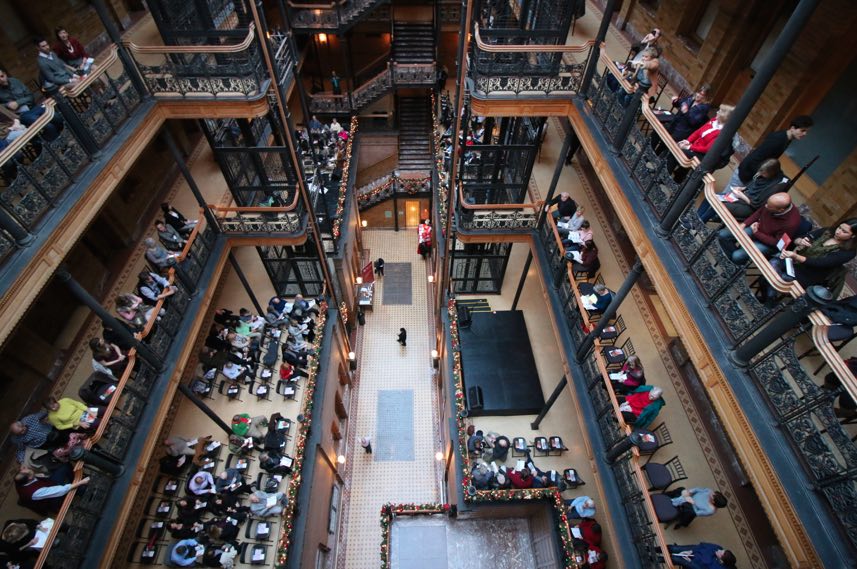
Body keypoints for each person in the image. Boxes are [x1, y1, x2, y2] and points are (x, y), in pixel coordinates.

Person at [727, 115, 813, 192]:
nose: (804, 134)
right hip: (745, 172)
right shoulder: (778, 140)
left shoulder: (787, 139)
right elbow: (758, 158)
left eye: (806, 131)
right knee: (724, 198)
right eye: (803, 130)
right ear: (792, 128)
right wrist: (756, 177)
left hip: (749, 173)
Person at [774, 219, 857, 295]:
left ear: (853, 236)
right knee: (773, 264)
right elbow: (800, 238)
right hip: (795, 262)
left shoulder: (848, 252)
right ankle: (769, 297)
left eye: (844, 231)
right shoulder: (827, 231)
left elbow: (820, 263)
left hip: (809, 274)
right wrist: (800, 241)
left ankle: (770, 299)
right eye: (839, 227)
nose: (838, 232)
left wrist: (796, 256)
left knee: (780, 278)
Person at [717, 193, 801, 265]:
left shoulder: (791, 223)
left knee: (737, 256)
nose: (766, 206)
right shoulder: (772, 203)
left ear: (780, 210)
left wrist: (757, 233)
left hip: (768, 244)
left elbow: (778, 244)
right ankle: (731, 262)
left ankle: (733, 266)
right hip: (757, 229)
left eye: (769, 206)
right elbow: (759, 212)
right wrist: (744, 224)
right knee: (723, 235)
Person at [696, 158, 788, 223]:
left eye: (764, 173)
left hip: (749, 207)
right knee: (712, 196)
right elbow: (752, 184)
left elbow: (757, 205)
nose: (761, 174)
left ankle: (699, 223)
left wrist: (741, 195)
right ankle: (697, 218)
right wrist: (742, 188)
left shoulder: (774, 186)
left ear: (771, 173)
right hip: (743, 196)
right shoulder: (762, 175)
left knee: (719, 205)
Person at [14, 466, 90, 516]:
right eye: (29, 471)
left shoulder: (19, 480)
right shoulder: (35, 492)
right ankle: (87, 494)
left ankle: (77, 479)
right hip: (51, 500)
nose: (28, 468)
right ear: (30, 478)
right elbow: (61, 490)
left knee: (65, 468)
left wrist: (36, 475)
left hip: (47, 484)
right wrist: (81, 482)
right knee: (78, 488)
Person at [669, 543, 737, 568]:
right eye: (723, 550)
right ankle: (658, 549)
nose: (719, 550)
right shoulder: (718, 548)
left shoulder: (715, 567)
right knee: (673, 548)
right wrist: (691, 551)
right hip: (695, 549)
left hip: (693, 563)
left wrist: (690, 563)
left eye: (721, 552)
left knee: (674, 559)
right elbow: (703, 545)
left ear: (721, 560)